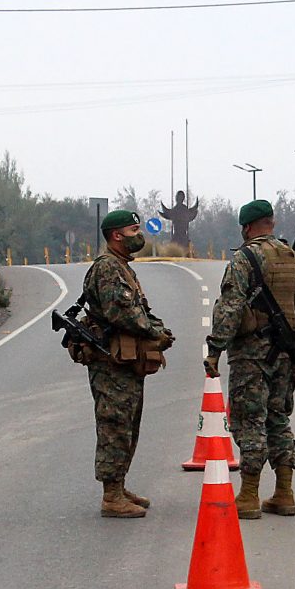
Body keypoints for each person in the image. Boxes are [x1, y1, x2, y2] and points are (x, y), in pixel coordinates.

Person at [203, 200, 295, 519]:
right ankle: (284, 493)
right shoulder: (292, 257)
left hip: (251, 354)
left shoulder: (244, 258)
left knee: (250, 419)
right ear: (271, 223)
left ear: (246, 227)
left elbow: (230, 308)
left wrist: (214, 350)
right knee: (278, 418)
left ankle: (249, 495)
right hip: (285, 353)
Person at [83, 210, 174, 518]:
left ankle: (119, 486)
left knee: (128, 425)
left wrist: (158, 328)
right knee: (114, 425)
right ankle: (111, 495)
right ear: (116, 236)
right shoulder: (108, 268)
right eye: (134, 230)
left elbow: (139, 309)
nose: (140, 235)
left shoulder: (122, 267)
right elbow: (121, 313)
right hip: (110, 363)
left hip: (125, 362)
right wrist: (153, 332)